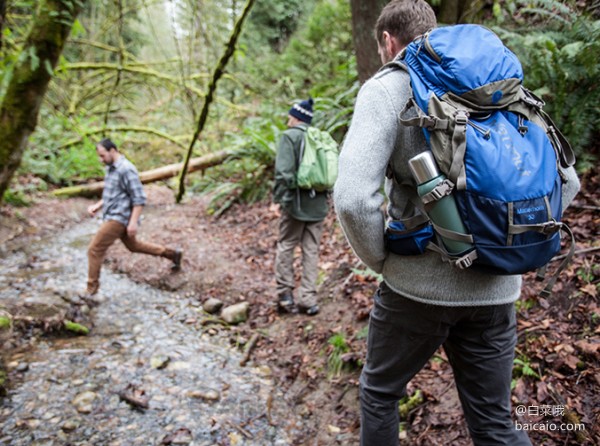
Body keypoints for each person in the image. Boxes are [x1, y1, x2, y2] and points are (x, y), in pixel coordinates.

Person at [333, 1, 581, 445]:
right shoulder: (494, 82)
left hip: (417, 288)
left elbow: (353, 200)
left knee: (380, 394)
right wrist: (505, 240)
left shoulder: (389, 87)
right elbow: (569, 182)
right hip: (498, 286)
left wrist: (381, 260)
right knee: (494, 421)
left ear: (389, 41)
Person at [85, 138, 182, 296]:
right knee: (133, 246)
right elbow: (114, 193)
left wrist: (132, 223)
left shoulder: (126, 169)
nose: (101, 160)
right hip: (112, 213)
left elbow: (139, 198)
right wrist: (98, 205)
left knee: (94, 250)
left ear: (113, 151)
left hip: (119, 218)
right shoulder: (111, 168)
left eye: (102, 156)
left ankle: (91, 291)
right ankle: (173, 253)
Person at [272, 98, 329, 316]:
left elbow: (283, 173)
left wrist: (278, 201)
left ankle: (285, 296)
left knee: (286, 245)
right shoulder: (318, 137)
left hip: (295, 205)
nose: (288, 119)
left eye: (290, 116)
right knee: (311, 250)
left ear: (296, 117)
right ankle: (308, 300)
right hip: (318, 205)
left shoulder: (290, 137)